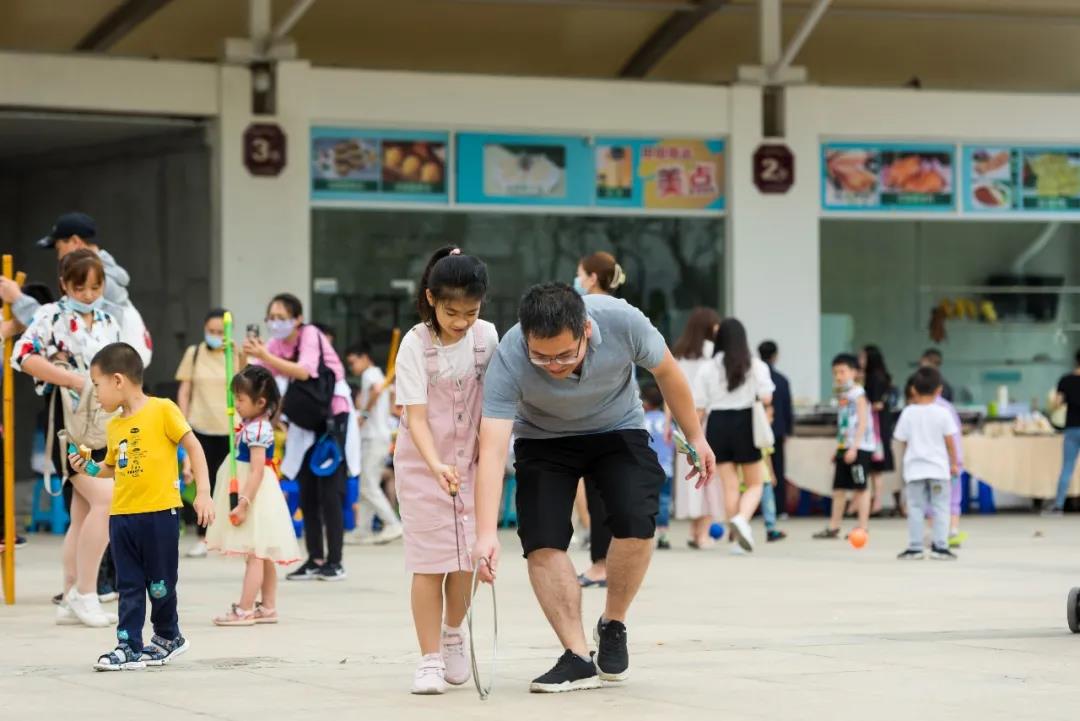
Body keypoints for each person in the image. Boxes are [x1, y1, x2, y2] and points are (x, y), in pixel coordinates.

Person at [471, 283, 715, 693]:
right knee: (542, 539)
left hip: (616, 427)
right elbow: (493, 450)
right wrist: (484, 535)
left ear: (586, 329)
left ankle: (613, 623)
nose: (554, 365)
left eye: (565, 354)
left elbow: (668, 371)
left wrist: (696, 437)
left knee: (636, 519)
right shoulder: (511, 356)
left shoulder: (622, 320)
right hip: (544, 440)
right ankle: (576, 655)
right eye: (542, 357)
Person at [66, 342, 214, 670]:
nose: (96, 394)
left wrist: (202, 491)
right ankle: (128, 644)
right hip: (122, 516)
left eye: (97, 385)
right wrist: (88, 468)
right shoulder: (114, 425)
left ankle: (167, 636)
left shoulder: (163, 409)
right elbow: (112, 468)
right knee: (128, 584)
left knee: (160, 584)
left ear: (118, 380)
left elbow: (193, 446)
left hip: (160, 514)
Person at [392, 247, 498, 694]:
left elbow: (496, 404)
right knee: (428, 563)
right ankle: (429, 657)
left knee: (466, 561)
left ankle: (455, 632)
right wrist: (435, 465)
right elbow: (415, 417)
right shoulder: (415, 345)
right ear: (431, 298)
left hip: (472, 465)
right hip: (422, 466)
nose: (461, 321)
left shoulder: (488, 337)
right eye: (452, 311)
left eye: (471, 312)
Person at [11, 250, 122, 627]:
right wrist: (72, 378)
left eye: (96, 286)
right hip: (67, 424)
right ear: (64, 284)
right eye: (81, 287)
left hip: (106, 422)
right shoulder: (50, 316)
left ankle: (71, 594)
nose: (89, 294)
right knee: (106, 500)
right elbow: (22, 356)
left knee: (83, 513)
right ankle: (85, 592)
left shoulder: (109, 318)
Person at [245, 293, 354, 582]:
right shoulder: (276, 345)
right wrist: (246, 356)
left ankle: (335, 561)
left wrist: (266, 357)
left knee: (330, 492)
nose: (275, 323)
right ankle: (315, 558)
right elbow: (258, 375)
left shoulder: (310, 334)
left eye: (282, 317)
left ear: (297, 319)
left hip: (332, 420)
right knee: (308, 492)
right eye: (271, 317)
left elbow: (305, 371)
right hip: (305, 422)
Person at [206, 365, 301, 625]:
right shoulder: (251, 425)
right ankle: (268, 607)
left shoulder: (258, 430)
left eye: (240, 399)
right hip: (255, 493)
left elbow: (257, 471)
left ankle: (244, 609)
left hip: (255, 494)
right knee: (262, 552)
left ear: (260, 402)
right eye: (235, 397)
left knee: (255, 555)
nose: (236, 404)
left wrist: (244, 503)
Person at [0, 212, 152, 366]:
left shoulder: (100, 283)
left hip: (112, 377)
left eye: (59, 248)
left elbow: (60, 327)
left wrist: (18, 299)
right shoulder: (107, 276)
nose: (59, 257)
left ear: (75, 241)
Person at [694, 317, 774, 553]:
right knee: (755, 483)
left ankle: (735, 539)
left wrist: (692, 436)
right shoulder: (755, 365)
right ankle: (742, 520)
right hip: (745, 422)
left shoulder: (707, 368)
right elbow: (767, 397)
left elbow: (699, 405)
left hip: (717, 423)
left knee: (729, 485)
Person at [573, 251, 627, 587]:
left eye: (580, 274)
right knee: (610, 493)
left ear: (592, 277)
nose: (577, 279)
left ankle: (601, 565)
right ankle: (609, 563)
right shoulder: (625, 312)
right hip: (619, 408)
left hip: (593, 410)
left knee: (598, 493)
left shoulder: (585, 310)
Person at [175, 308, 233, 558]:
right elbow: (184, 391)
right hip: (199, 427)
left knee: (228, 483)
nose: (215, 336)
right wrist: (181, 423)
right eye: (211, 331)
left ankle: (228, 535)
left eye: (220, 332)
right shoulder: (194, 353)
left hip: (229, 428)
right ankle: (202, 536)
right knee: (202, 483)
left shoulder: (235, 353)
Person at [893, 367, 960, 561]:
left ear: (913, 390)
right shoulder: (943, 413)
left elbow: (902, 440)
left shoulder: (907, 413)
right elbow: (950, 442)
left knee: (915, 507)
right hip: (939, 469)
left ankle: (915, 547)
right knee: (941, 507)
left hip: (914, 469)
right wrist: (954, 463)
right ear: (939, 390)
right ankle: (941, 547)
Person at [671, 307, 723, 547]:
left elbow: (670, 387)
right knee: (708, 475)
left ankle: (694, 531)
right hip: (706, 420)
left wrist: (667, 417)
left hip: (682, 420)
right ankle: (702, 534)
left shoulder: (679, 353)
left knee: (689, 478)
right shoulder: (713, 353)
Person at [345, 340, 403, 545]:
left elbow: (377, 391)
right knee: (365, 485)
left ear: (364, 357)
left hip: (374, 437)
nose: (352, 368)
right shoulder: (376, 374)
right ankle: (363, 529)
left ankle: (393, 523)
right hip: (376, 436)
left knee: (368, 485)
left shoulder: (371, 375)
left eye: (353, 363)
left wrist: (365, 413)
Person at [813, 354, 876, 540]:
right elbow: (844, 424)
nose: (839, 376)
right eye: (835, 372)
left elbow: (863, 422)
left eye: (842, 371)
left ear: (854, 372)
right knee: (838, 488)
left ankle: (862, 527)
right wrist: (839, 448)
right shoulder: (843, 394)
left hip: (860, 447)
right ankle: (834, 526)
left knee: (861, 487)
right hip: (844, 446)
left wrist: (854, 448)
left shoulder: (859, 394)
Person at [862, 345, 898, 516]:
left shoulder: (873, 378)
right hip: (881, 426)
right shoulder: (882, 376)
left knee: (875, 466)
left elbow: (876, 404)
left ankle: (876, 502)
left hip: (875, 428)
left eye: (862, 357)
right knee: (876, 468)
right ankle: (873, 501)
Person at [758, 340, 792, 520]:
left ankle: (756, 509)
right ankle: (780, 509)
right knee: (777, 470)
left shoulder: (754, 377)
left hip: (756, 430)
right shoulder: (782, 380)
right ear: (775, 356)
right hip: (777, 431)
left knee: (755, 468)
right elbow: (787, 408)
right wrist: (788, 430)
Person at [1046, 349, 1080, 516]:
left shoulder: (1066, 380)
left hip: (1072, 428)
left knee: (1067, 467)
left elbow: (1056, 405)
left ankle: (1058, 505)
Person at [641, 384, 674, 550]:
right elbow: (674, 444)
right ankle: (664, 535)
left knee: (644, 501)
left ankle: (647, 533)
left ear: (645, 403)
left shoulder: (641, 420)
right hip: (666, 469)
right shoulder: (666, 421)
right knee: (664, 501)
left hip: (645, 468)